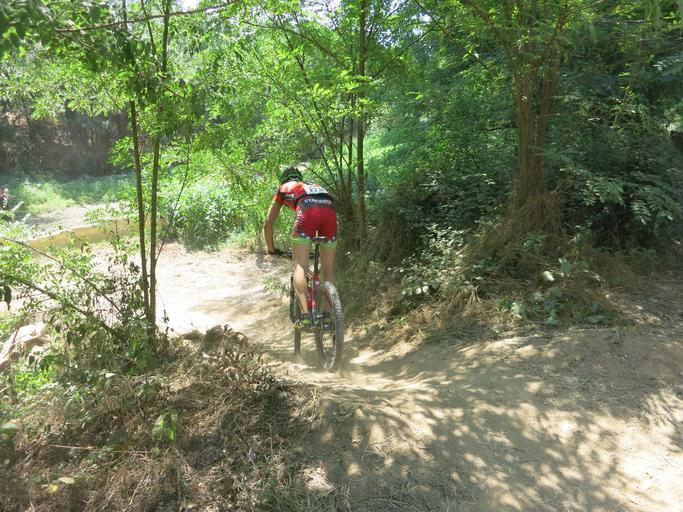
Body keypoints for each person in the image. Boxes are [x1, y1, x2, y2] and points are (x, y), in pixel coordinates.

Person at [263, 167, 337, 326]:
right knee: (328, 268)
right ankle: (328, 315)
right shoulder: (313, 185)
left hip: (307, 211)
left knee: (300, 266)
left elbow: (268, 223)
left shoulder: (283, 189)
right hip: (329, 212)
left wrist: (271, 249)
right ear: (299, 178)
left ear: (283, 180)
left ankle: (305, 315)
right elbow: (324, 206)